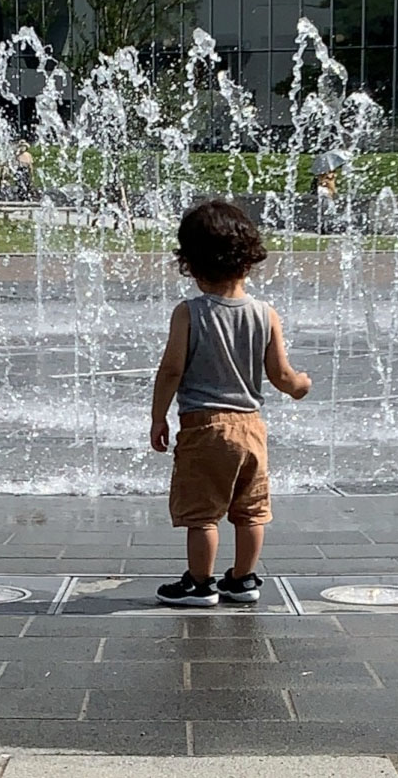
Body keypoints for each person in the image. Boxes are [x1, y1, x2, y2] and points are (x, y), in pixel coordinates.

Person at [150, 199, 312, 606]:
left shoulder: (188, 313)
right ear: (248, 260)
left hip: (205, 428)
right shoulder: (265, 313)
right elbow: (281, 376)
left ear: (191, 263)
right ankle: (242, 579)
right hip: (252, 427)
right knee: (251, 510)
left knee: (203, 514)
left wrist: (158, 417)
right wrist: (299, 386)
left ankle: (200, 584)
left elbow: (170, 371)